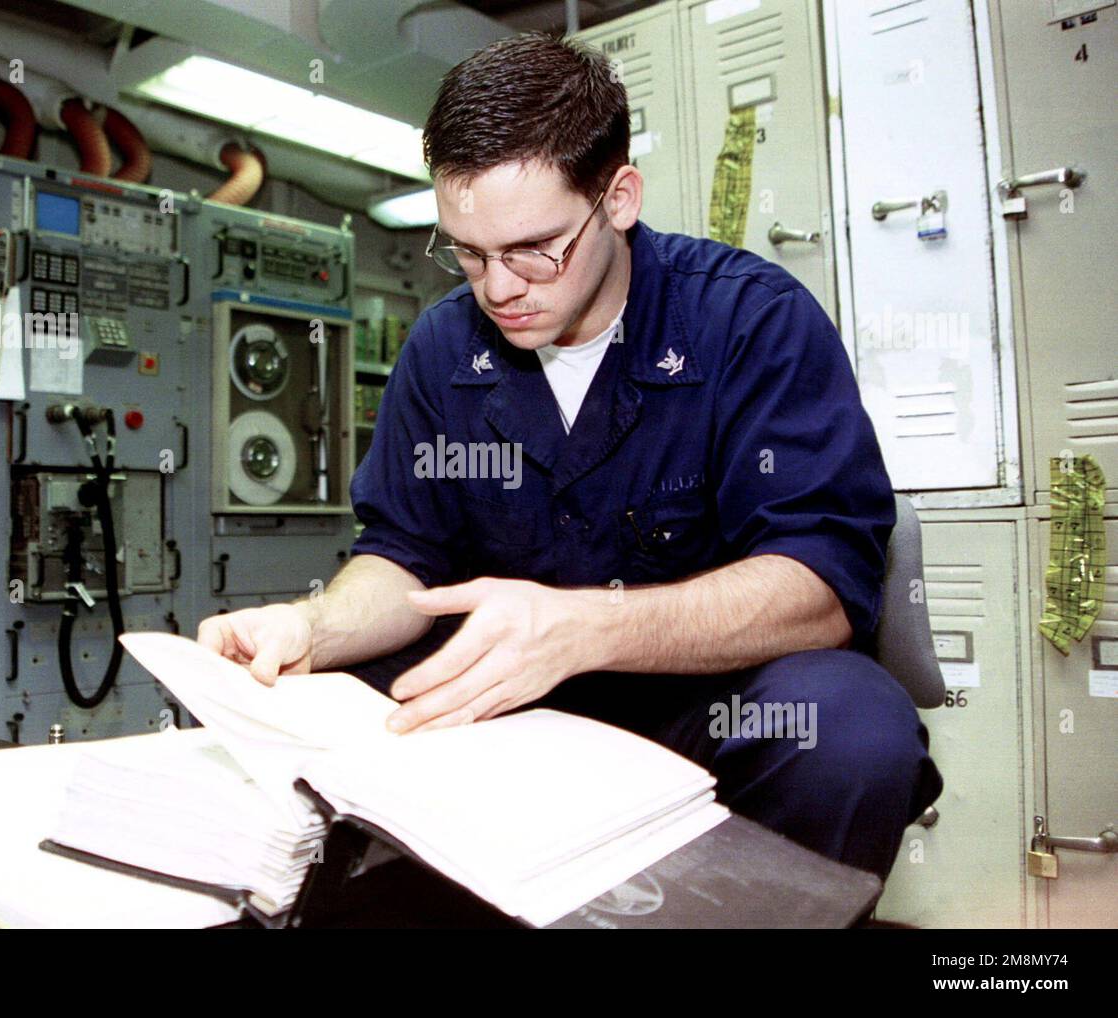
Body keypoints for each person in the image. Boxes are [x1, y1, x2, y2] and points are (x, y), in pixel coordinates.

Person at [199, 32, 942, 882]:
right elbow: (405, 557)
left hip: (706, 703)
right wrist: (310, 626)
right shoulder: (446, 349)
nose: (499, 288)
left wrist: (586, 628)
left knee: (848, 728)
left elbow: (820, 586)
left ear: (618, 197)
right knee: (286, 726)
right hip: (509, 704)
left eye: (533, 248)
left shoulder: (750, 322)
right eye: (469, 253)